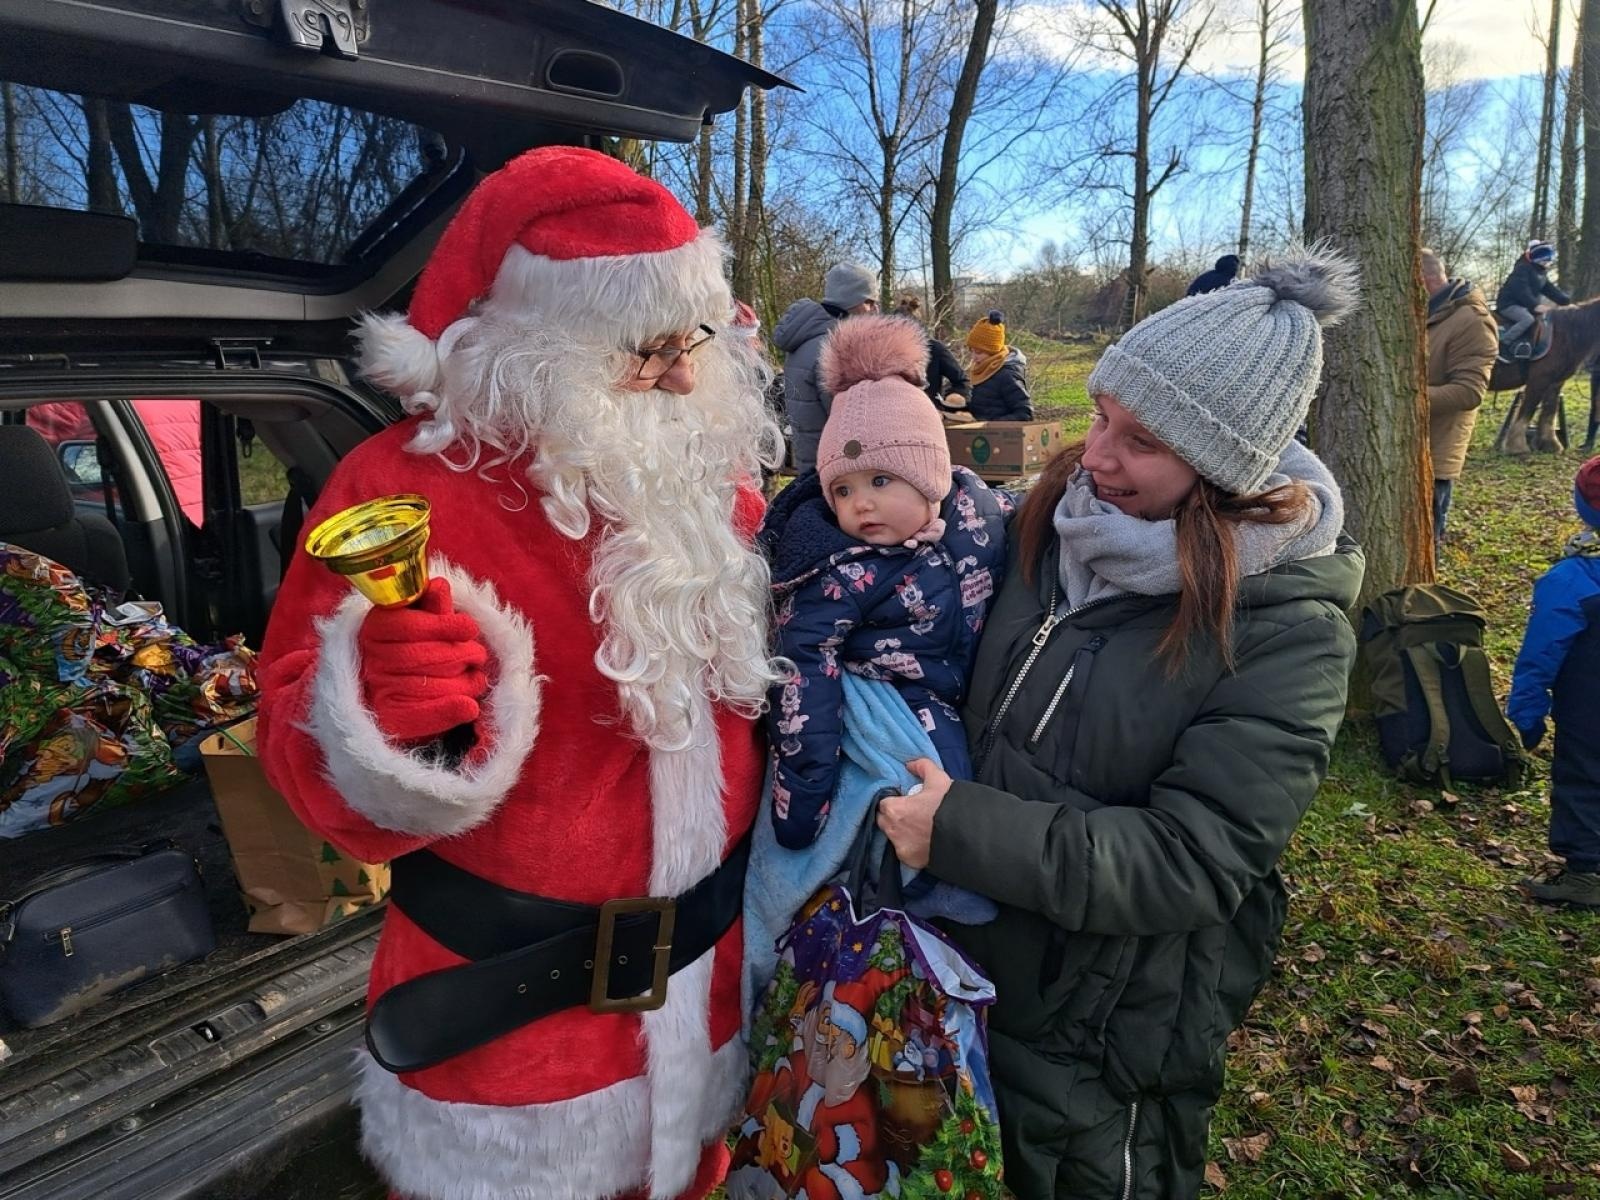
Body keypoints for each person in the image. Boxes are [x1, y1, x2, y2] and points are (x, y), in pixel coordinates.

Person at [255, 147, 784, 1200]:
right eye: (648, 349)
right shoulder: (400, 490)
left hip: (707, 989)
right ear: (539, 345)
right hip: (515, 1036)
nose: (684, 375)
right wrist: (377, 722)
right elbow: (305, 766)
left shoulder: (701, 470)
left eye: (696, 339)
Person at [874, 249, 1364, 1198]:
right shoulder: (1047, 525)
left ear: (1220, 465)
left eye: (1140, 440)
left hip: (1102, 1024)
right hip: (960, 964)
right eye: (1100, 414)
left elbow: (1196, 858)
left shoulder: (1288, 632)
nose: (1095, 455)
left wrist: (960, 832)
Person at [759, 314, 1010, 848]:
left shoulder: (979, 518)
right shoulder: (839, 569)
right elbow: (804, 678)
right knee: (937, 797)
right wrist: (799, 805)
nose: (860, 504)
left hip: (967, 693)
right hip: (893, 704)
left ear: (932, 479)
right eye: (842, 491)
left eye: (879, 480)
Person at [1506, 455, 1600, 911]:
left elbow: (1540, 656)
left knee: (1583, 778)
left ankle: (1585, 874)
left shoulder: (1572, 579)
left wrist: (1526, 714)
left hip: (1589, 709)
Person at [1421, 247, 1497, 545]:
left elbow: (1470, 391)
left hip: (1435, 453)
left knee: (1426, 544)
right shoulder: (1432, 314)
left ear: (1422, 281)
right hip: (1409, 448)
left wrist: (1401, 400)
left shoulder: (1471, 320)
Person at [774, 262, 880, 472]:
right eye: (869, 302)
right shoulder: (838, 347)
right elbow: (853, 421)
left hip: (812, 462)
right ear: (853, 302)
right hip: (842, 470)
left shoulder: (804, 338)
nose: (874, 309)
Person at [895, 294, 971, 409]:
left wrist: (952, 397)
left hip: (929, 414)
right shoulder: (885, 355)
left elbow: (962, 382)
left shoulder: (935, 349)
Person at [1496, 239, 1570, 358]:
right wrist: (1535, 305)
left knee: (1542, 320)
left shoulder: (1540, 274)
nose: (1548, 261)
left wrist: (1566, 301)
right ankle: (1502, 344)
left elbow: (1550, 290)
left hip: (1525, 306)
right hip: (1509, 304)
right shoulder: (1522, 269)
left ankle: (1525, 345)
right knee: (1527, 319)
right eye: (1546, 258)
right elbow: (1521, 291)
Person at [965, 310, 1033, 421]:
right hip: (982, 435)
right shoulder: (980, 371)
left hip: (1000, 435)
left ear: (993, 352)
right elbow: (986, 406)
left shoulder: (1007, 375)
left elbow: (1024, 413)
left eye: (979, 352)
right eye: (971, 351)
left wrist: (992, 425)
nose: (973, 357)